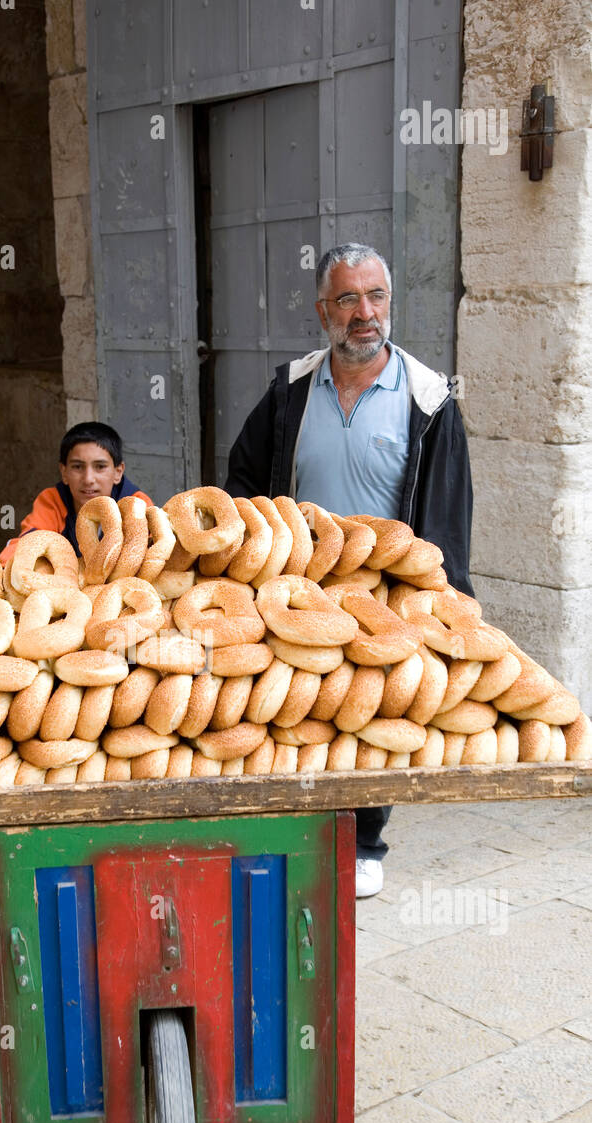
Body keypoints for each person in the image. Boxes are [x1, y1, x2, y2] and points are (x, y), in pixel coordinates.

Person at [225, 243, 473, 899]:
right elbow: (244, 476)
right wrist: (255, 555)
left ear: (389, 303)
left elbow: (447, 515)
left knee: (368, 716)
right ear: (323, 310)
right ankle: (298, 825)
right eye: (348, 299)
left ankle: (365, 840)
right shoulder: (291, 391)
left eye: (376, 297)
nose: (365, 313)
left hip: (379, 594)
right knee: (299, 710)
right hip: (300, 586)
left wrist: (444, 601)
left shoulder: (429, 400)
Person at [0, 421, 152, 564]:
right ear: (64, 472)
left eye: (100, 467)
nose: (88, 479)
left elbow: (150, 551)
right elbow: (27, 545)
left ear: (118, 472)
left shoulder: (137, 505)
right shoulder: (53, 501)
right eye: (78, 467)